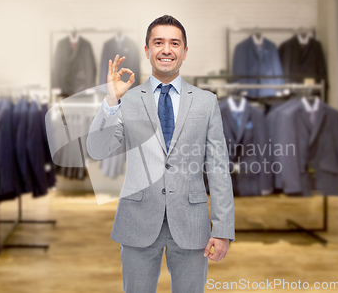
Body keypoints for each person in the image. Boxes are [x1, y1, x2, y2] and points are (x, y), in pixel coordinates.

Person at [86, 15, 235, 293]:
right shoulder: (127, 99)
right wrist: (111, 101)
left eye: (174, 43)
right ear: (147, 50)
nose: (166, 49)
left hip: (191, 224)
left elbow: (218, 168)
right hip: (138, 220)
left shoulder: (206, 102)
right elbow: (97, 149)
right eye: (158, 42)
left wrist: (223, 228)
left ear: (185, 51)